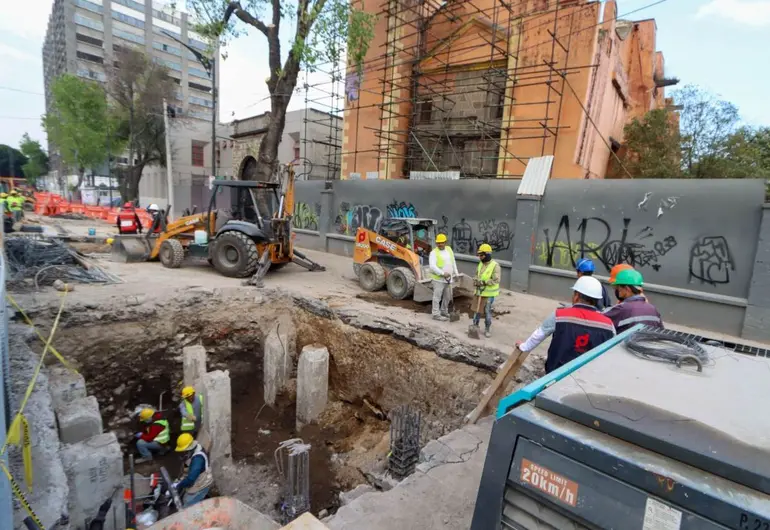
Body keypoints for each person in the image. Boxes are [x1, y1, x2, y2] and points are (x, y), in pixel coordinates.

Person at [516, 276, 616, 374]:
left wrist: (524, 346)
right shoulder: (608, 325)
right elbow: (612, 351)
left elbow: (539, 334)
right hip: (589, 378)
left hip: (556, 374)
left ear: (576, 296)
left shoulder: (559, 315)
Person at [603, 269, 663, 333]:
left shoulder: (621, 309)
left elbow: (599, 319)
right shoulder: (652, 309)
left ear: (627, 289)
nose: (617, 290)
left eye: (618, 287)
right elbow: (661, 330)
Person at [172, 433, 213, 507]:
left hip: (202, 481)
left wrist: (179, 485)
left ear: (189, 448)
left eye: (184, 450)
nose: (183, 452)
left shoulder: (198, 459)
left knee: (187, 503)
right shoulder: (197, 447)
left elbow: (191, 479)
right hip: (198, 474)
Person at [471, 243, 500, 338]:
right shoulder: (480, 264)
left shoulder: (495, 265)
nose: (480, 257)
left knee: (487, 311)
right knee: (477, 310)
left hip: (488, 294)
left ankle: (487, 328)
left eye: (481, 255)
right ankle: (475, 325)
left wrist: (484, 282)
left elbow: (496, 280)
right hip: (479, 292)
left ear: (487, 255)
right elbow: (476, 274)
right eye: (479, 255)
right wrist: (475, 280)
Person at [429, 233, 459, 321]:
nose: (440, 244)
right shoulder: (433, 253)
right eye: (438, 243)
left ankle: (444, 311)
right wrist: (442, 273)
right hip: (438, 279)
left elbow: (453, 262)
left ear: (445, 242)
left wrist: (456, 273)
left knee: (448, 296)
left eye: (442, 242)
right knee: (437, 297)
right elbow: (432, 266)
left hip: (449, 278)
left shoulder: (449, 249)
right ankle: (435, 314)